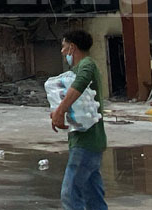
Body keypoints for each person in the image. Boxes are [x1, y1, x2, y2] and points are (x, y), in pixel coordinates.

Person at [50, 30, 108, 210]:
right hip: (89, 141)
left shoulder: (87, 65)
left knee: (70, 193)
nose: (62, 51)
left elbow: (80, 83)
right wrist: (56, 111)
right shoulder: (74, 71)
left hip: (86, 142)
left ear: (72, 47)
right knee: (93, 196)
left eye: (64, 47)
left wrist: (60, 110)